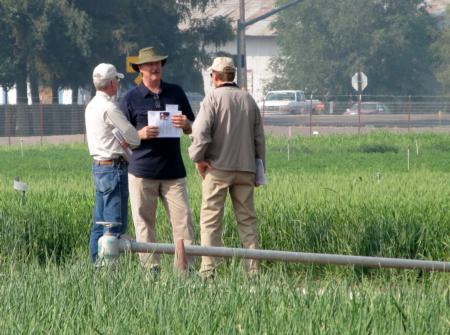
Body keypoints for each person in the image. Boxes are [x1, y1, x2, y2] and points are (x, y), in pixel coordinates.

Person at [120, 46, 195, 273]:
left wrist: (186, 125)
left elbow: (192, 128)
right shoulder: (130, 98)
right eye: (150, 64)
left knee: (183, 223)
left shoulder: (176, 92)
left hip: (174, 172)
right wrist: (139, 135)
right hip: (142, 172)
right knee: (145, 225)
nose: (155, 67)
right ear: (140, 69)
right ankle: (151, 271)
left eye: (158, 63)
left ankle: (185, 272)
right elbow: (120, 138)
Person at [188, 57, 266, 277]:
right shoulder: (248, 100)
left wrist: (197, 157)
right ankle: (253, 271)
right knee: (247, 220)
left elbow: (200, 132)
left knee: (211, 219)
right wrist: (259, 171)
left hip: (218, 167)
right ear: (232, 75)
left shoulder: (212, 98)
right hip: (246, 169)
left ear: (214, 76)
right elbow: (259, 139)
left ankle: (209, 270)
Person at [85, 63, 140, 264]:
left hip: (99, 167)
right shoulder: (110, 108)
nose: (117, 83)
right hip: (114, 169)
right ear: (111, 84)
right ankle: (109, 271)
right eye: (116, 80)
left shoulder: (91, 105)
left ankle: (95, 264)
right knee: (114, 226)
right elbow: (134, 138)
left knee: (99, 224)